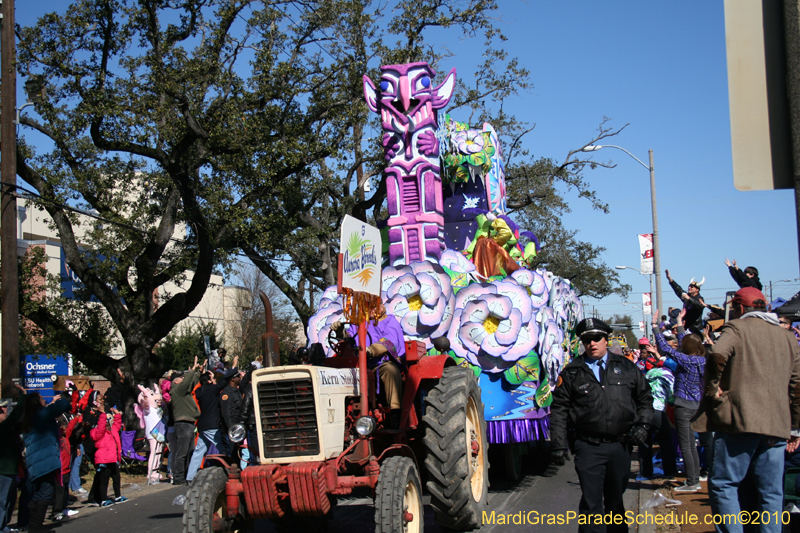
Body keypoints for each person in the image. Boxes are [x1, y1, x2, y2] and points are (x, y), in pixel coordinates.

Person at [693, 287, 800, 533]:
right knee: (772, 491)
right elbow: (797, 385)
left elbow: (716, 354)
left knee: (724, 485)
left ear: (740, 308)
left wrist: (713, 389)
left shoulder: (736, 329)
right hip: (777, 424)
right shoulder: (786, 336)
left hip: (739, 421)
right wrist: (795, 427)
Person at [550, 318, 653, 533]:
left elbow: (644, 399)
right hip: (588, 447)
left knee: (615, 503)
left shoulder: (626, 367)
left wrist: (643, 426)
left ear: (606, 339)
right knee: (591, 503)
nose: (592, 344)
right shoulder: (572, 372)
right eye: (587, 340)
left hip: (620, 445)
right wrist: (559, 444)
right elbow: (559, 409)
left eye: (597, 338)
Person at [652, 308, 707, 492]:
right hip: (698, 405)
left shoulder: (685, 360)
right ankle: (695, 478)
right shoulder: (703, 360)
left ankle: (692, 482)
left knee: (686, 445)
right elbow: (686, 343)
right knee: (694, 445)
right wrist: (680, 324)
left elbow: (666, 348)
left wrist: (655, 326)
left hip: (683, 406)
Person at [332, 303, 407, 428]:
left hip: (381, 363)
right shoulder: (359, 324)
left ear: (381, 306)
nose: (370, 310)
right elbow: (349, 339)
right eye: (367, 307)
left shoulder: (389, 321)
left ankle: (394, 413)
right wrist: (340, 332)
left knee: (390, 371)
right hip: (358, 364)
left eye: (373, 306)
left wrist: (371, 350)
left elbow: (389, 341)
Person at [20, 391, 72, 533]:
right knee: (45, 493)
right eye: (42, 399)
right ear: (36, 402)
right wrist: (59, 400)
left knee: (39, 493)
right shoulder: (41, 414)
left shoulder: (29, 417)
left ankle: (34, 525)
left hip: (35, 460)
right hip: (44, 460)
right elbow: (63, 404)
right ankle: (35, 527)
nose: (44, 401)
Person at [186, 358, 237, 482]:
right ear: (209, 380)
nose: (214, 379)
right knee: (221, 447)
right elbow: (225, 379)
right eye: (213, 378)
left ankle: (190, 476)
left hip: (202, 425)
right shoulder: (212, 389)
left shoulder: (200, 391)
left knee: (199, 450)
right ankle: (226, 472)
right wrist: (234, 366)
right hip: (212, 425)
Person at [170, 358, 204, 485]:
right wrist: (193, 369)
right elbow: (187, 382)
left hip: (188, 424)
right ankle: (178, 477)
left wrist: (198, 372)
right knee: (182, 452)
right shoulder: (177, 391)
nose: (183, 378)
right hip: (183, 424)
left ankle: (186, 474)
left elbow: (192, 382)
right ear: (176, 381)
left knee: (190, 451)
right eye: (181, 378)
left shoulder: (183, 392)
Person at [0, 385, 25, 531]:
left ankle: (4, 525)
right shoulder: (3, 428)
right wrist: (22, 396)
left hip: (10, 470)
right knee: (2, 500)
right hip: (3, 470)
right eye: (1, 410)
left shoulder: (6, 428)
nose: (5, 411)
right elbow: (16, 414)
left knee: (9, 499)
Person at [89, 407, 126, 507]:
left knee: (116, 479)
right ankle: (103, 499)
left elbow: (117, 424)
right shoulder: (96, 433)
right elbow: (101, 428)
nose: (108, 425)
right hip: (103, 461)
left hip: (113, 460)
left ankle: (118, 496)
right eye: (106, 423)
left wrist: (117, 415)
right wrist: (102, 415)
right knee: (104, 481)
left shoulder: (112, 431)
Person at [665, 269, 707, 335]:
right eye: (689, 286)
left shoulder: (699, 299)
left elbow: (699, 306)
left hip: (696, 329)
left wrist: (688, 298)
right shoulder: (687, 297)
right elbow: (678, 290)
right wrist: (670, 280)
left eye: (692, 287)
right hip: (687, 328)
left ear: (697, 290)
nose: (689, 287)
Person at [219, 369, 243, 451]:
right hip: (230, 429)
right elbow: (226, 413)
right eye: (238, 376)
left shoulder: (237, 392)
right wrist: (232, 429)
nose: (240, 378)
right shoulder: (227, 394)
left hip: (237, 427)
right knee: (230, 451)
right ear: (233, 379)